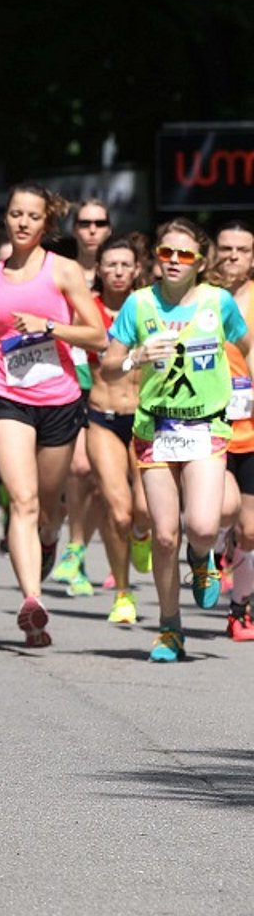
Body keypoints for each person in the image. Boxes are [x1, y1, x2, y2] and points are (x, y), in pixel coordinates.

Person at [102, 219, 249, 661]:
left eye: (184, 255)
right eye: (166, 253)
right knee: (165, 537)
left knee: (202, 526)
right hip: (156, 429)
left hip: (206, 426)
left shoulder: (218, 302)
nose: (173, 262)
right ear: (156, 257)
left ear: (200, 262)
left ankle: (203, 557)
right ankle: (169, 626)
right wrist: (135, 357)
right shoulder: (139, 304)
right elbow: (109, 366)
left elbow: (248, 344)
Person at [0, 183, 106, 647]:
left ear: (45, 223)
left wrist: (49, 326)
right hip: (6, 395)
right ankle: (32, 601)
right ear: (7, 218)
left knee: (49, 504)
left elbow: (97, 337)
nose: (22, 223)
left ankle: (50, 538)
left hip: (58, 398)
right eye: (15, 214)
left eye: (32, 216)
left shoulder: (65, 271)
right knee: (24, 500)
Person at [49, 199, 116, 595]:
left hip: (112, 382)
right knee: (77, 469)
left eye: (99, 223)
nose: (92, 229)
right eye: (85, 223)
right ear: (76, 228)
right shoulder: (63, 269)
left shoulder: (121, 268)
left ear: (109, 228)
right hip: (71, 376)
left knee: (101, 479)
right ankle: (73, 544)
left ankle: (90, 546)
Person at [84, 234, 150, 624]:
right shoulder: (88, 311)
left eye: (126, 265)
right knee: (119, 511)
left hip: (145, 417)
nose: (119, 271)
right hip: (102, 417)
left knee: (144, 510)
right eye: (112, 265)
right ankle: (123, 594)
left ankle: (143, 534)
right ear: (100, 269)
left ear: (138, 269)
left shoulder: (149, 306)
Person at [216, 220, 254, 641]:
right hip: (211, 426)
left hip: (252, 430)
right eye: (226, 249)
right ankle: (209, 548)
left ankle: (240, 608)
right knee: (222, 510)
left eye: (242, 250)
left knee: (251, 529)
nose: (232, 257)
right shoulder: (203, 301)